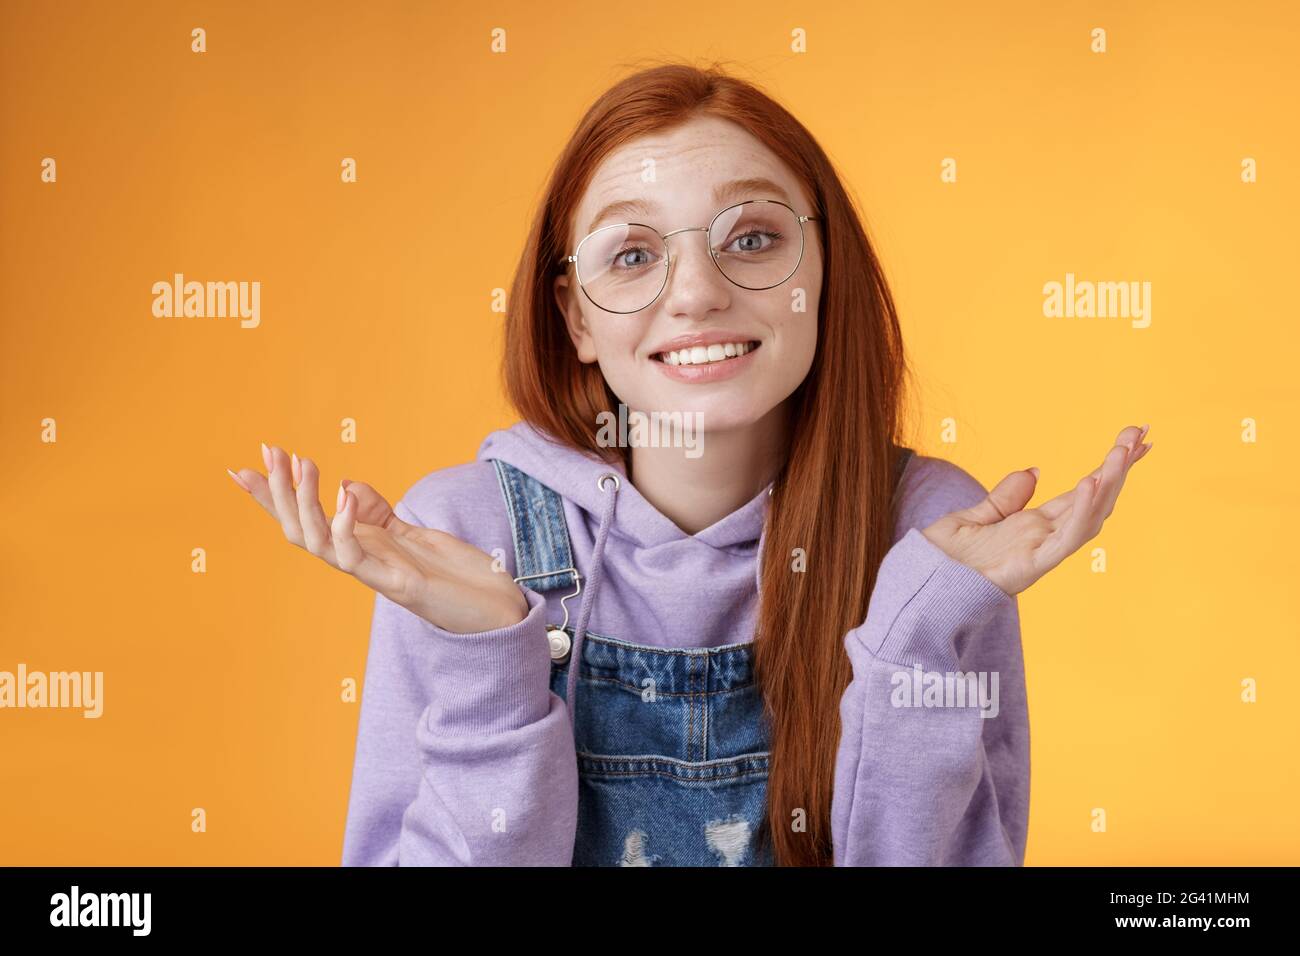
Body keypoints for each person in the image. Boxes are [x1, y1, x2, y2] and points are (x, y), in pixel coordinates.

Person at [226, 62, 1152, 866]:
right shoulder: (466, 535)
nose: (699, 293)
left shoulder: (934, 533)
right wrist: (490, 663)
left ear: (823, 267)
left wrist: (915, 635)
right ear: (577, 316)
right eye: (632, 255)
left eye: (752, 237)